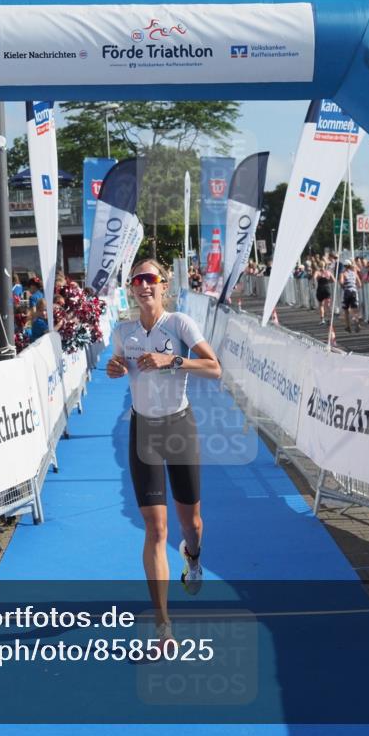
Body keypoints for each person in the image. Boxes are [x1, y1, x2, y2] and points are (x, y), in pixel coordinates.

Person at [106, 258, 222, 645]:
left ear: (163, 285)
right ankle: (163, 625)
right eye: (137, 280)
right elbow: (119, 366)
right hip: (144, 432)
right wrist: (116, 369)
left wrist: (171, 360)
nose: (144, 285)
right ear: (131, 288)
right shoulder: (123, 331)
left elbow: (214, 368)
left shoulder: (180, 324)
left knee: (192, 525)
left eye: (150, 279)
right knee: (156, 529)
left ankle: (193, 556)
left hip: (179, 428)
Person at [339, 259, 361, 333]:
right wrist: (354, 287)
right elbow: (359, 283)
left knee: (346, 310)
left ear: (344, 266)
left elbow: (341, 282)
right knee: (355, 309)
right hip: (354, 291)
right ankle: (357, 323)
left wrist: (343, 286)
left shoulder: (343, 273)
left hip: (347, 292)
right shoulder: (354, 273)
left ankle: (348, 326)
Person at [315, 261, 334, 325]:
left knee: (321, 305)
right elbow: (333, 280)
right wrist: (328, 280)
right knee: (328, 305)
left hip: (320, 289)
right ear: (325, 265)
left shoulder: (317, 272)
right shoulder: (328, 272)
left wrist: (315, 282)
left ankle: (322, 320)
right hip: (327, 288)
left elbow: (314, 278)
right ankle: (329, 319)